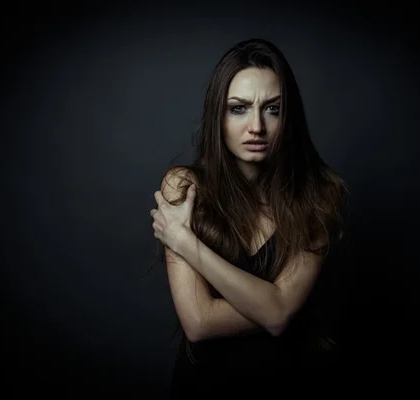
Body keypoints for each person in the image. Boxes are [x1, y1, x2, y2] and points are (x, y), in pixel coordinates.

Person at [148, 38, 348, 398]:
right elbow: (199, 322)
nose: (257, 126)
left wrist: (184, 243)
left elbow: (279, 315)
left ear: (289, 117)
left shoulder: (319, 194)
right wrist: (273, 302)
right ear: (217, 116)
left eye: (272, 109)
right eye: (238, 109)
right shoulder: (184, 186)